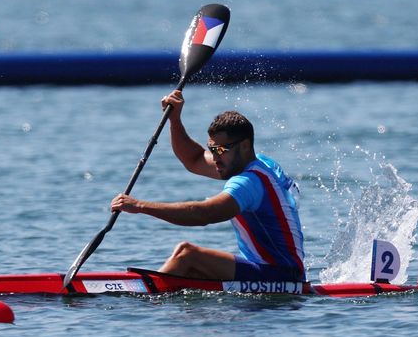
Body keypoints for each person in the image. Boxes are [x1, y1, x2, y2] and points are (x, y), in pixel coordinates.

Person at [110, 89, 305, 281]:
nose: (215, 157)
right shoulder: (260, 163)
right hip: (269, 270)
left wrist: (140, 206)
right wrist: (175, 120)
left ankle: (141, 296)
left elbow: (204, 214)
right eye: (212, 149)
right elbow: (193, 159)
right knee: (189, 274)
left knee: (186, 254)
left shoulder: (248, 183)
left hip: (283, 275)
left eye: (220, 149)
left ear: (245, 146)